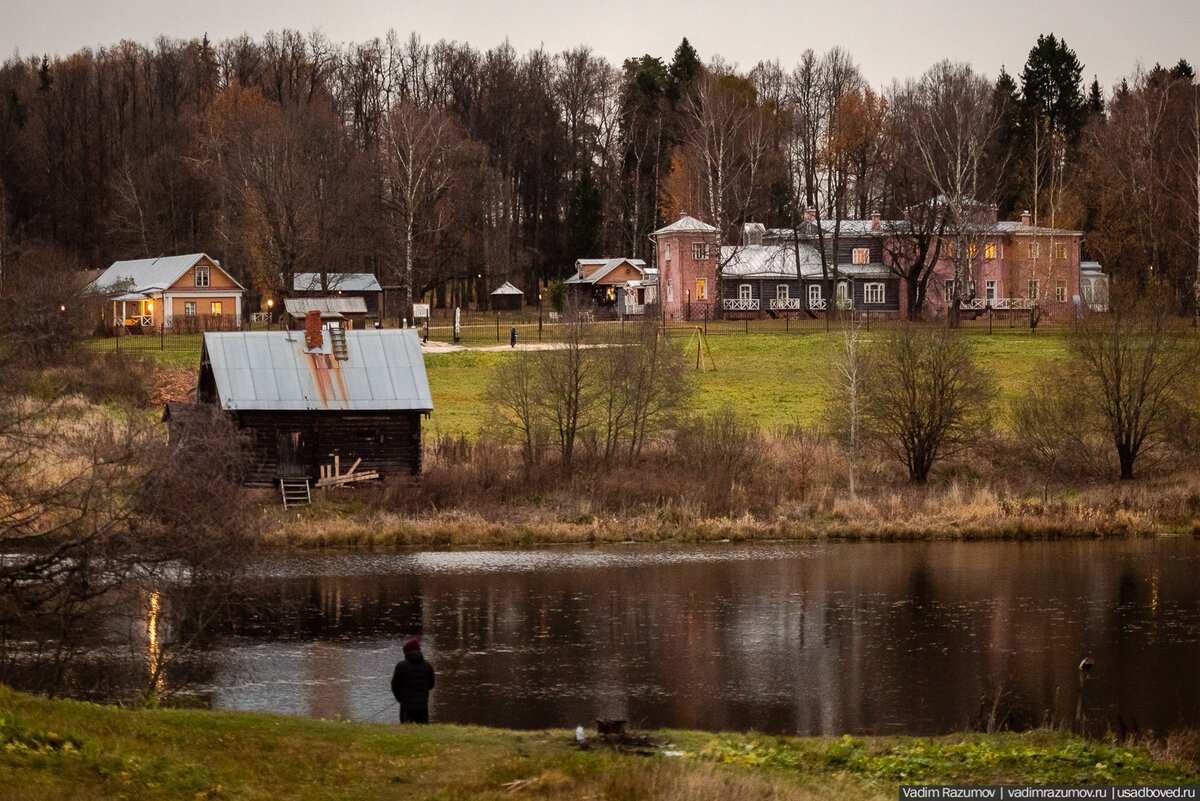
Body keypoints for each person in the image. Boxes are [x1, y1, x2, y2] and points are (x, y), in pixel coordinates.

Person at [391, 636, 435, 723]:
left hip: (406, 704)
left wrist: (400, 698)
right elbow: (431, 684)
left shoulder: (401, 666)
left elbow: (395, 686)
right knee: (422, 729)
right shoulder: (427, 665)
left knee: (407, 729)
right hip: (423, 704)